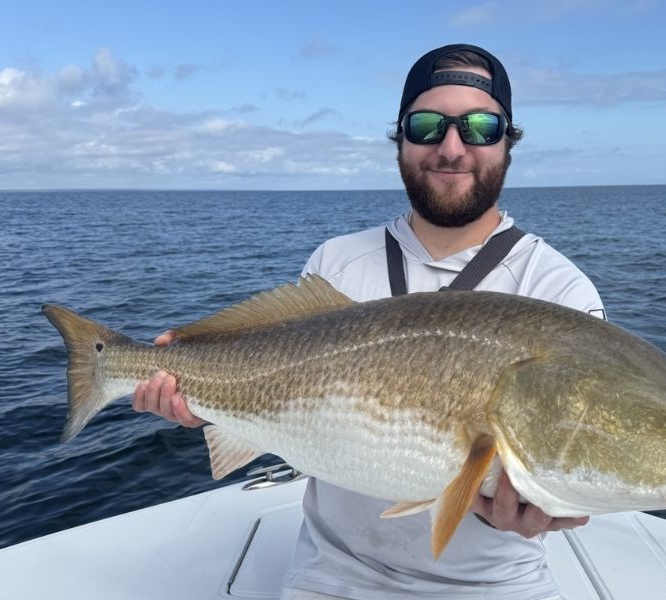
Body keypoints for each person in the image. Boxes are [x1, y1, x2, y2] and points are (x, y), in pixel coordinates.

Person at [133, 43, 605, 600]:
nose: (452, 147)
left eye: (480, 126)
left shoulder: (557, 289)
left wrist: (557, 503)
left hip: (499, 584)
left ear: (508, 141)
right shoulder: (336, 262)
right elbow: (274, 395)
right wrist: (199, 395)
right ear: (400, 139)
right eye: (427, 125)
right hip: (333, 577)